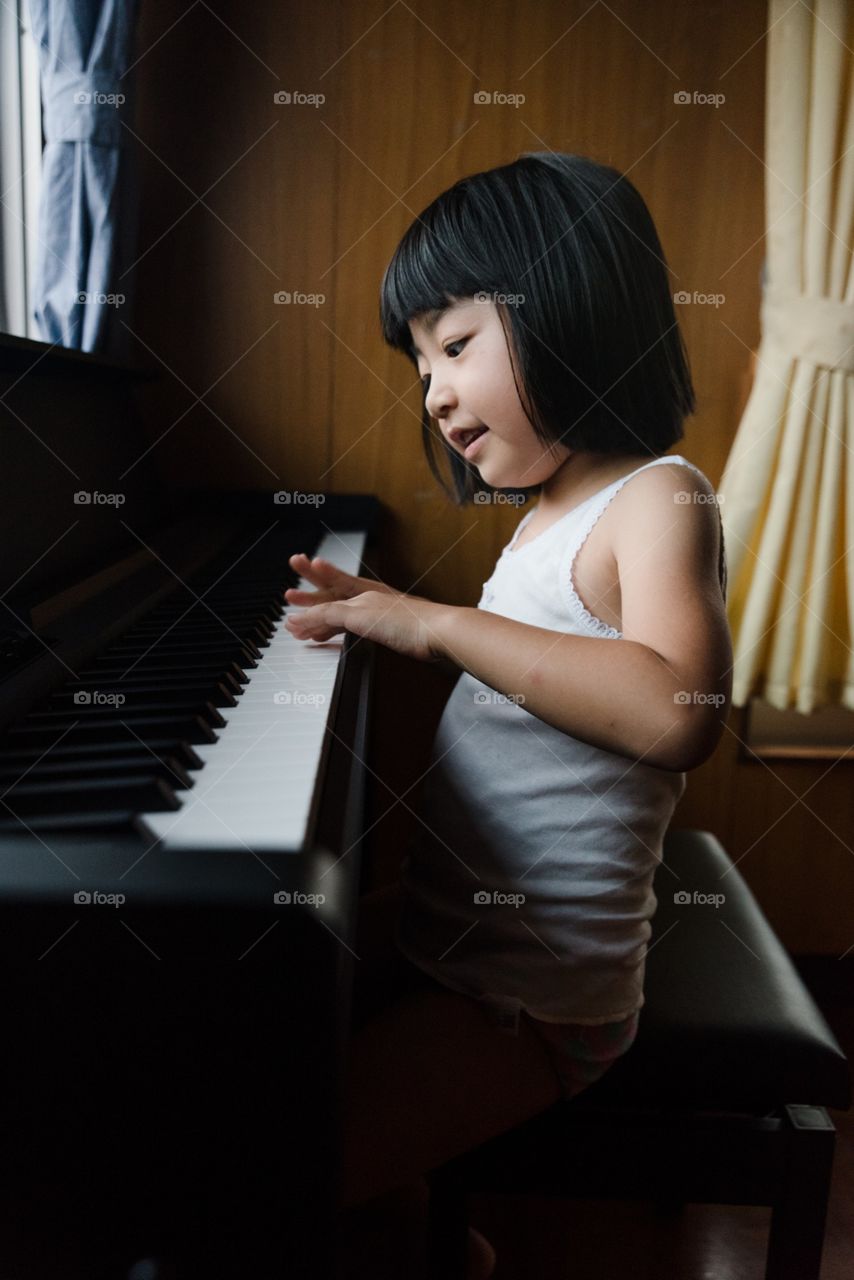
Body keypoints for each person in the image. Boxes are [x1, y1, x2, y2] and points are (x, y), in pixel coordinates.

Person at [283, 151, 733, 1279]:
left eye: (452, 343)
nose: (432, 390)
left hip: (530, 999)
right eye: (418, 360)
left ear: (566, 303)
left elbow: (674, 709)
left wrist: (426, 623)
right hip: (462, 940)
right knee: (260, 975)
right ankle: (419, 1231)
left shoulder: (659, 496)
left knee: (278, 1167)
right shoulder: (542, 517)